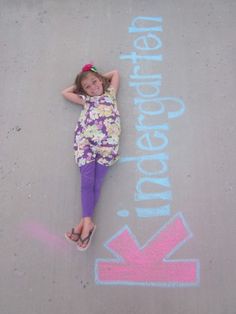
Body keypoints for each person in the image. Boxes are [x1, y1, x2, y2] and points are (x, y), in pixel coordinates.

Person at [62, 64, 121, 251]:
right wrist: (82, 86)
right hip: (85, 143)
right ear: (83, 91)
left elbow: (115, 73)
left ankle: (84, 223)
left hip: (106, 146)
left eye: (94, 82)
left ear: (101, 81)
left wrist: (97, 76)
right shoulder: (86, 100)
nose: (93, 87)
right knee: (87, 182)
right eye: (87, 87)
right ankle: (87, 224)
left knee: (96, 185)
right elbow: (65, 92)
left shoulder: (110, 93)